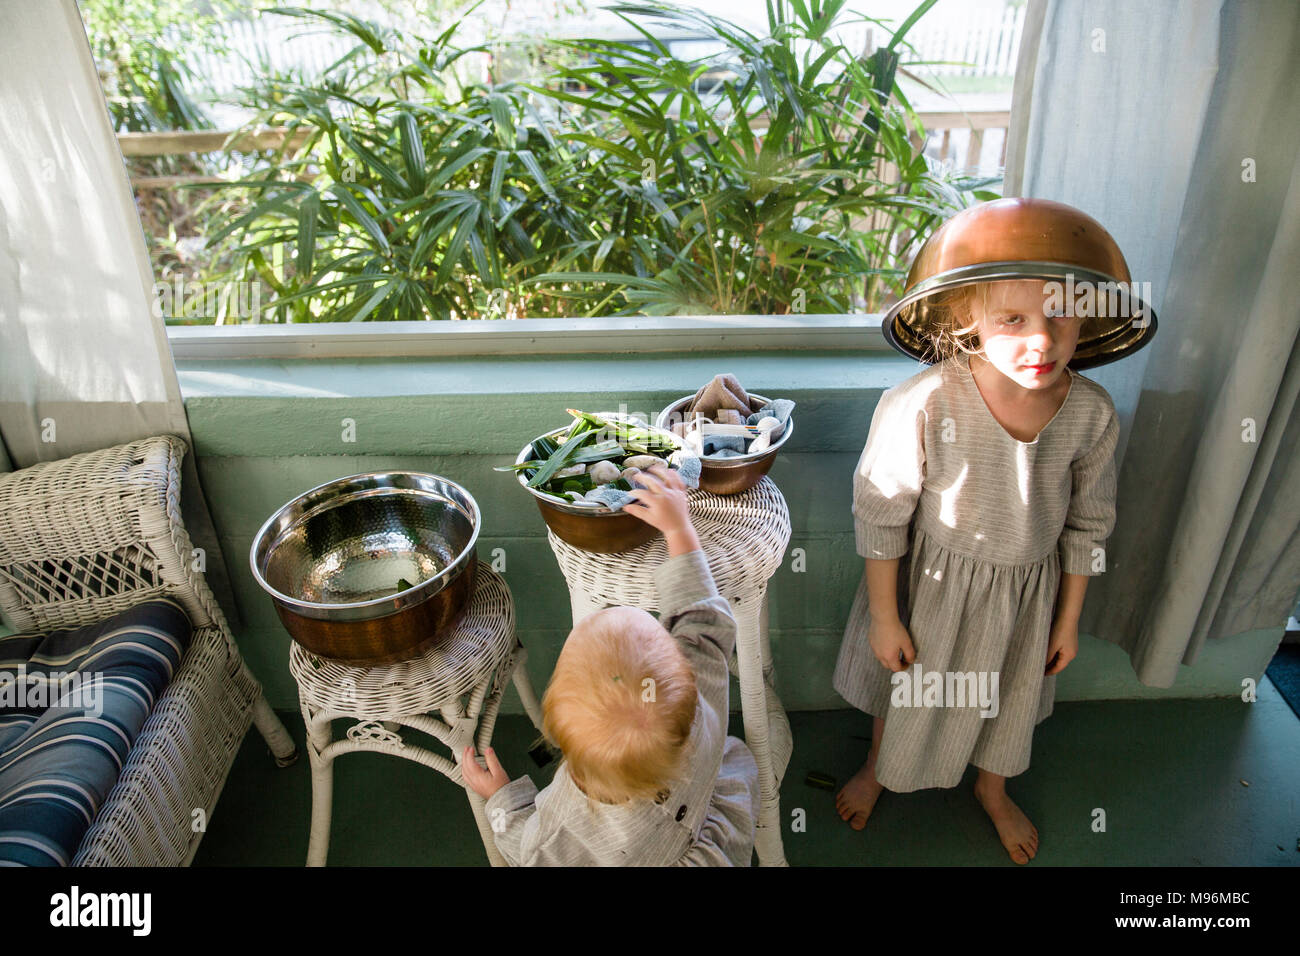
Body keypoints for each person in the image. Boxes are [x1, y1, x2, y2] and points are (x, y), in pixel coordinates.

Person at [833, 276, 1121, 864]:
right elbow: (881, 515)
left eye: (1061, 315)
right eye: (1012, 320)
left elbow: (1089, 526)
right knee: (907, 685)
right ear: (969, 316)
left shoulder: (1092, 413)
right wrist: (886, 618)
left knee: (1010, 698)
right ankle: (879, 767)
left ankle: (993, 787)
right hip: (935, 589)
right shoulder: (925, 400)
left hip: (1026, 596)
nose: (1041, 339)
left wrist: (1067, 622)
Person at [462, 463, 759, 866]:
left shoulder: (562, 826)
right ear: (683, 671)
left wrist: (502, 800)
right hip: (707, 824)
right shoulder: (699, 698)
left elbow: (529, 851)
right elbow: (702, 617)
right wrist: (678, 530)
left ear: (563, 746)